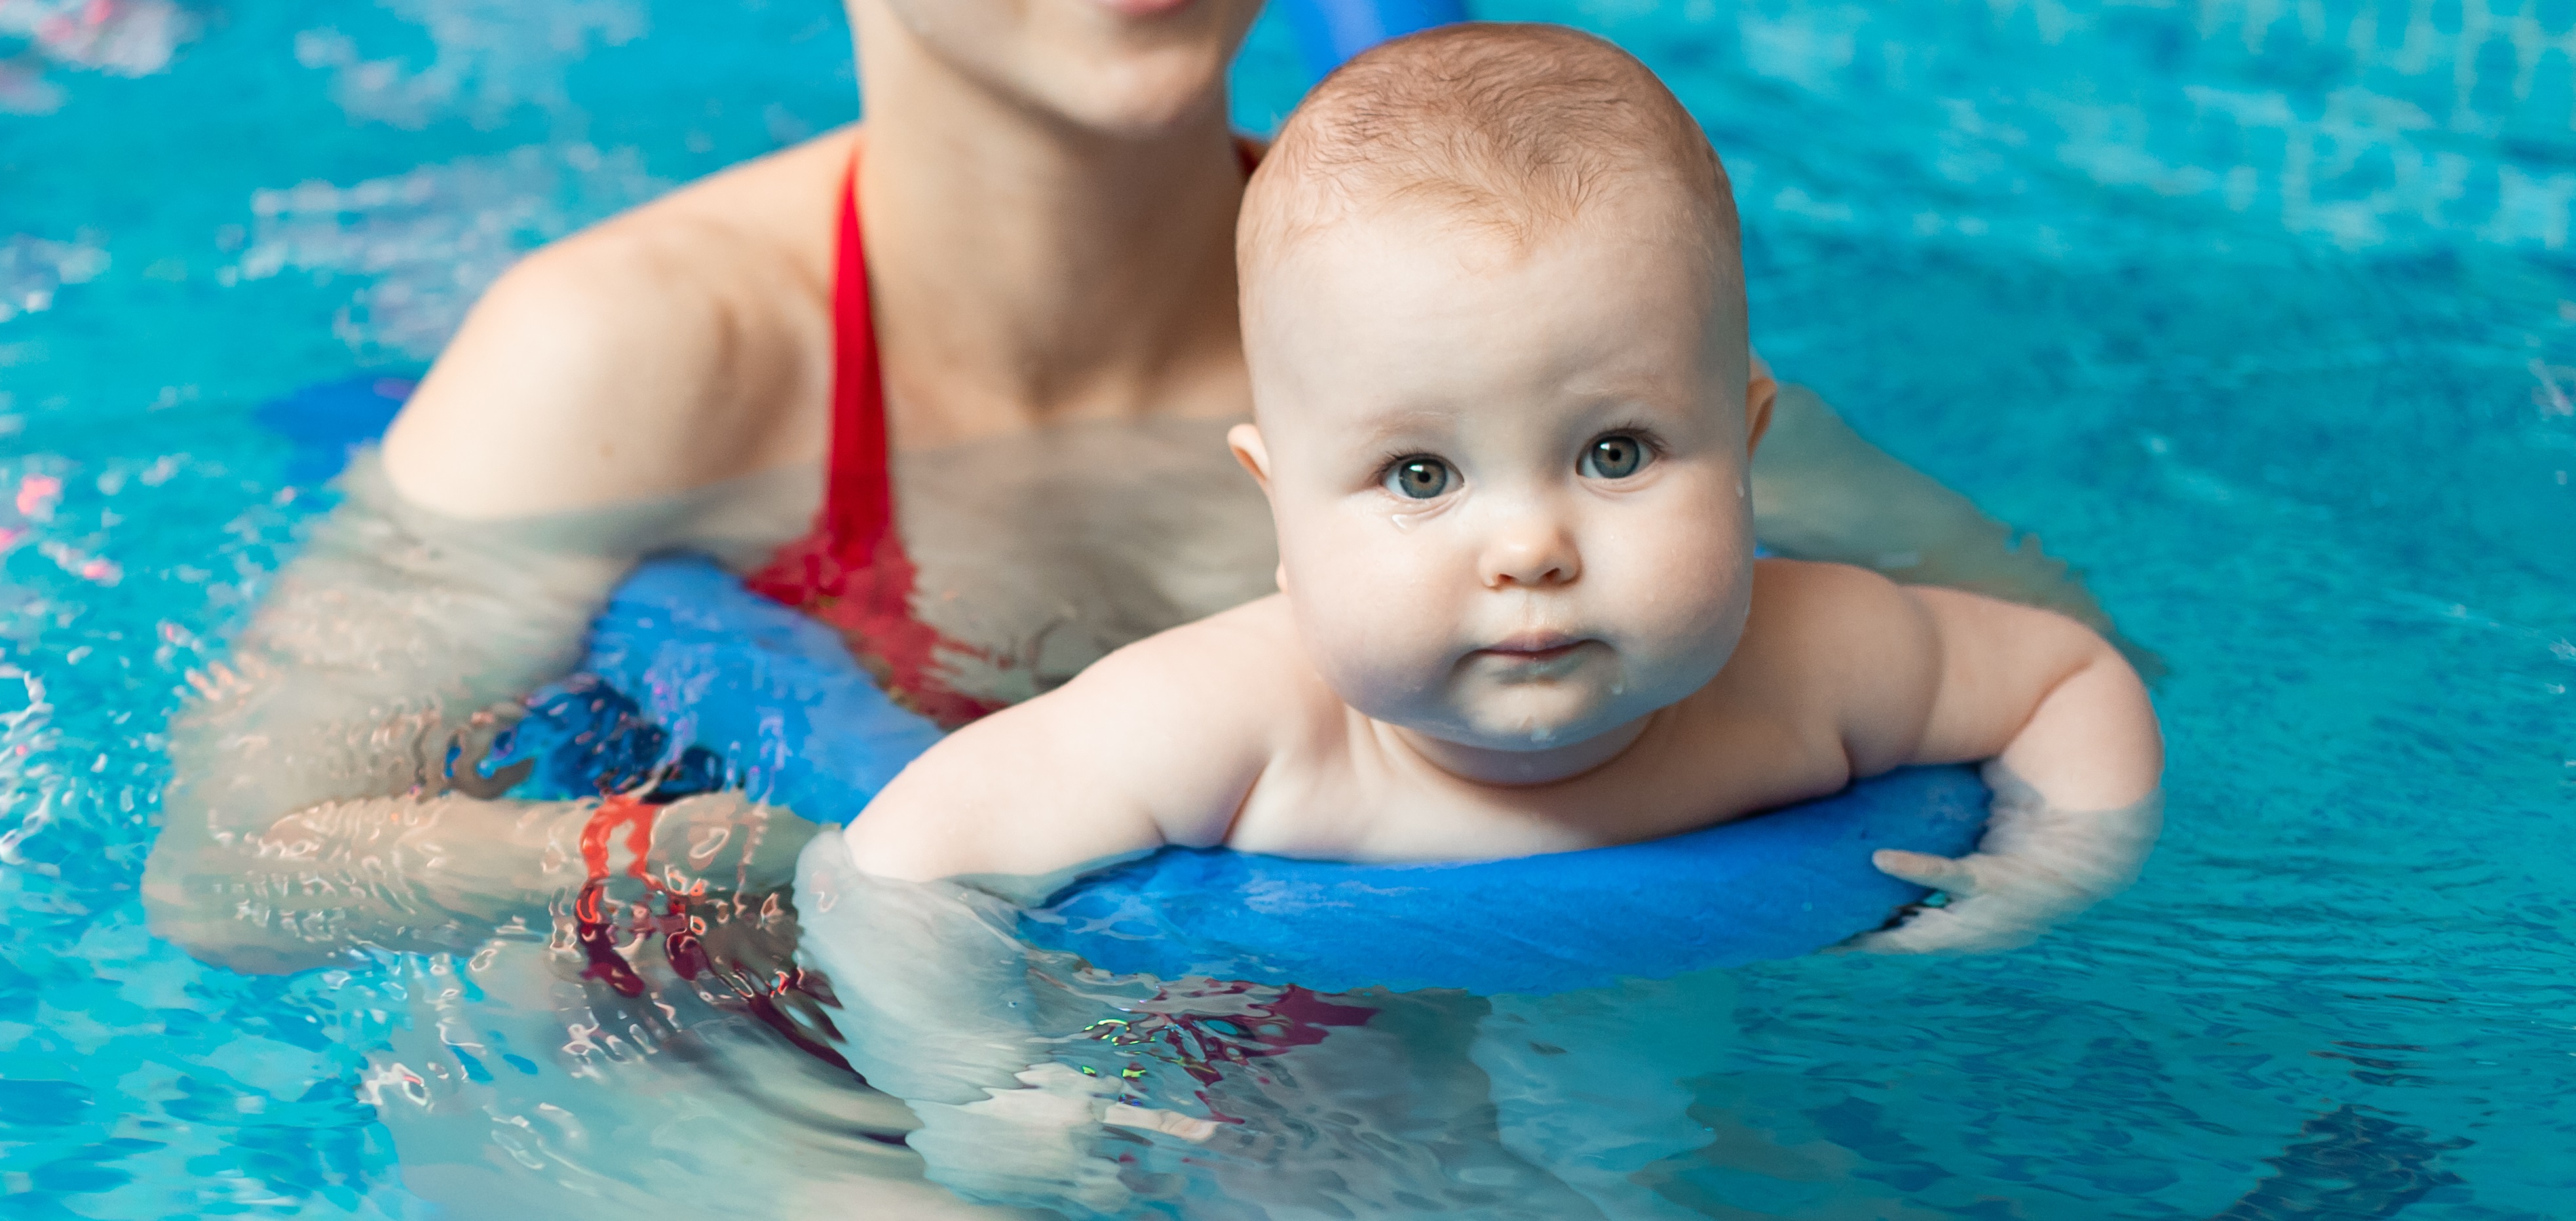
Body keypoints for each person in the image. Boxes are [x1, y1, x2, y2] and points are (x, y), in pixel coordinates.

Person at [140, 0, 2133, 1212]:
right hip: (738, 1057)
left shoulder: (1501, 316)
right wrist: (704, 856)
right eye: (1421, 487)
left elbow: (2036, 662)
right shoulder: (643, 354)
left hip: (1364, 1056)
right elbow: (237, 873)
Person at [802, 25, 2165, 1214]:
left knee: (1644, 1148)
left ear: (1745, 451)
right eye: (1418, 475)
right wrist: (984, 1087)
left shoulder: (1816, 664)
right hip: (1287, 1037)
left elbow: (2066, 680)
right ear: (1277, 514)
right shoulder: (1228, 725)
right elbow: (893, 872)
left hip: (1651, 1014)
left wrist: (2054, 867)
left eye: (1617, 452)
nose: (1527, 546)